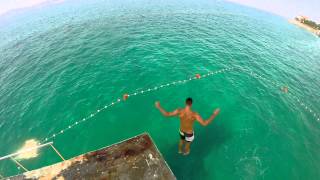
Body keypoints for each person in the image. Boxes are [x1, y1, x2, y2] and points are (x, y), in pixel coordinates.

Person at [155, 97, 220, 155]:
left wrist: (159, 106)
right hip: (189, 133)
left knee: (181, 140)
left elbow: (167, 114)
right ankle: (186, 151)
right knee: (187, 144)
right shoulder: (194, 115)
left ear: (185, 103)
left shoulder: (179, 111)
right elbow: (204, 124)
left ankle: (180, 150)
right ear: (191, 104)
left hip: (182, 130)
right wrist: (214, 114)